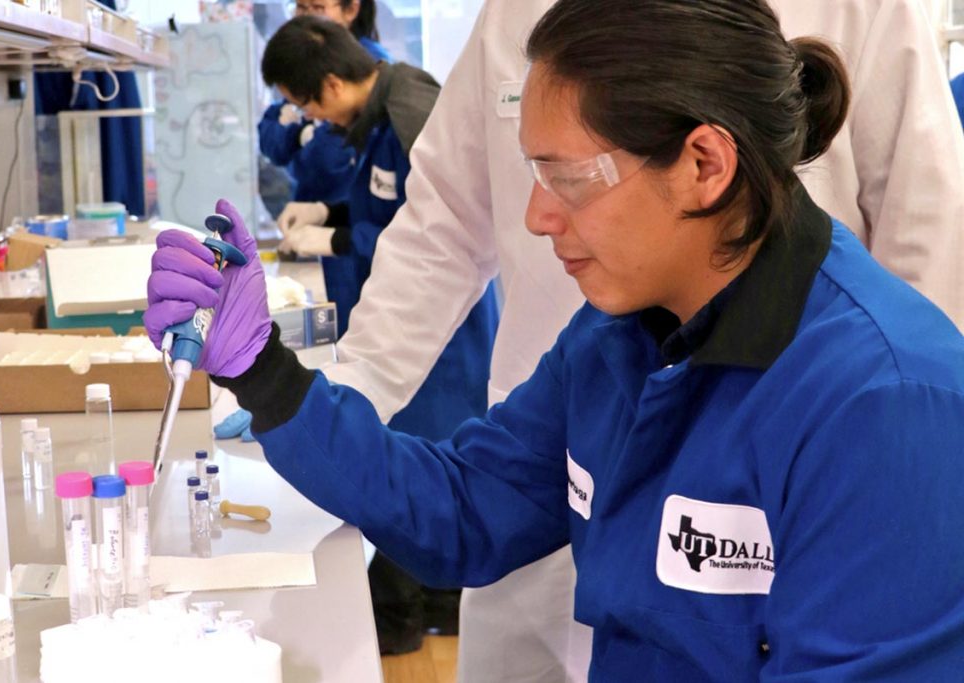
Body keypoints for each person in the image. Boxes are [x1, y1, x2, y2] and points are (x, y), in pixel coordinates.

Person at [146, 0, 964, 678]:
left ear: (706, 164)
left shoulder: (885, 408)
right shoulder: (618, 338)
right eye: (533, 174)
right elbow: (461, 508)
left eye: (569, 178)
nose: (537, 219)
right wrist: (267, 374)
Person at [260, 15, 499, 653]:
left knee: (418, 461)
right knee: (404, 455)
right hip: (408, 327)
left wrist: (336, 236)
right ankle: (421, 607)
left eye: (307, 103)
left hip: (443, 340)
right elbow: (383, 206)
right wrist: (332, 213)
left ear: (333, 83)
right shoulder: (373, 117)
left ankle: (407, 615)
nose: (313, 116)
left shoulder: (409, 113)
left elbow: (436, 233)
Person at [258, 0, 391, 337]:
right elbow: (272, 136)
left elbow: (420, 238)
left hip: (369, 249)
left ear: (350, 10)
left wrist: (336, 236)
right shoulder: (316, 79)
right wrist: (324, 213)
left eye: (317, 6)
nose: (307, 18)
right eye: (300, 7)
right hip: (351, 229)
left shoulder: (391, 114)